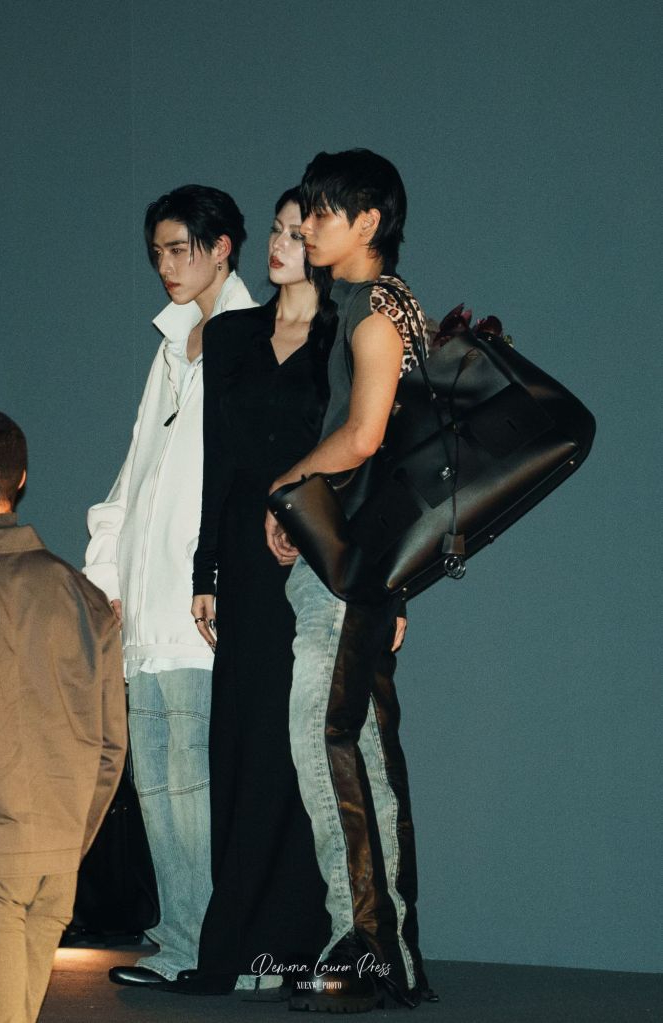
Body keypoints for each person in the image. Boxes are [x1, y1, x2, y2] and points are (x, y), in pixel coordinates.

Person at [265, 150, 435, 1012]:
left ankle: (365, 946)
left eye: (324, 212)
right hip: (366, 566)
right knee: (363, 747)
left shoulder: (373, 309)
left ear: (368, 221)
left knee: (321, 738)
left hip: (344, 568)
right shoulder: (391, 304)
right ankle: (389, 952)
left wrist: (286, 486)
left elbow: (365, 436)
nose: (308, 226)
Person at [84, 185, 257, 987]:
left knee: (196, 781)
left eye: (179, 248)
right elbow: (134, 476)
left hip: (201, 610)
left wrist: (214, 572)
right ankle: (185, 936)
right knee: (156, 785)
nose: (165, 265)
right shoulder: (170, 349)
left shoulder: (252, 339)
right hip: (145, 611)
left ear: (222, 248)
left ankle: (224, 947)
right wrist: (103, 577)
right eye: (156, 252)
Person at [183, 188, 336, 993]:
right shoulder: (232, 333)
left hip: (310, 557)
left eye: (296, 233)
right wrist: (204, 568)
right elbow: (219, 458)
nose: (279, 244)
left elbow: (363, 457)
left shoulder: (342, 339)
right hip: (245, 560)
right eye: (275, 230)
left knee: (296, 745)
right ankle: (234, 942)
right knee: (242, 743)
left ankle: (293, 943)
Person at [0, 408, 127, 1023]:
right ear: (19, 480)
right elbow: (112, 745)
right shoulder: (81, 595)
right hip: (57, 854)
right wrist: (70, 839)